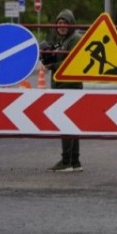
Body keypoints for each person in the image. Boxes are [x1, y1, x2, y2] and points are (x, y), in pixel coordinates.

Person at [43, 9, 83, 172]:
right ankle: (74, 161)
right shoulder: (63, 40)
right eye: (59, 23)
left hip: (70, 86)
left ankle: (67, 161)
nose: (62, 26)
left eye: (65, 23)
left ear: (71, 24)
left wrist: (51, 65)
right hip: (62, 85)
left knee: (66, 123)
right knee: (71, 124)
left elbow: (71, 62)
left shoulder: (75, 39)